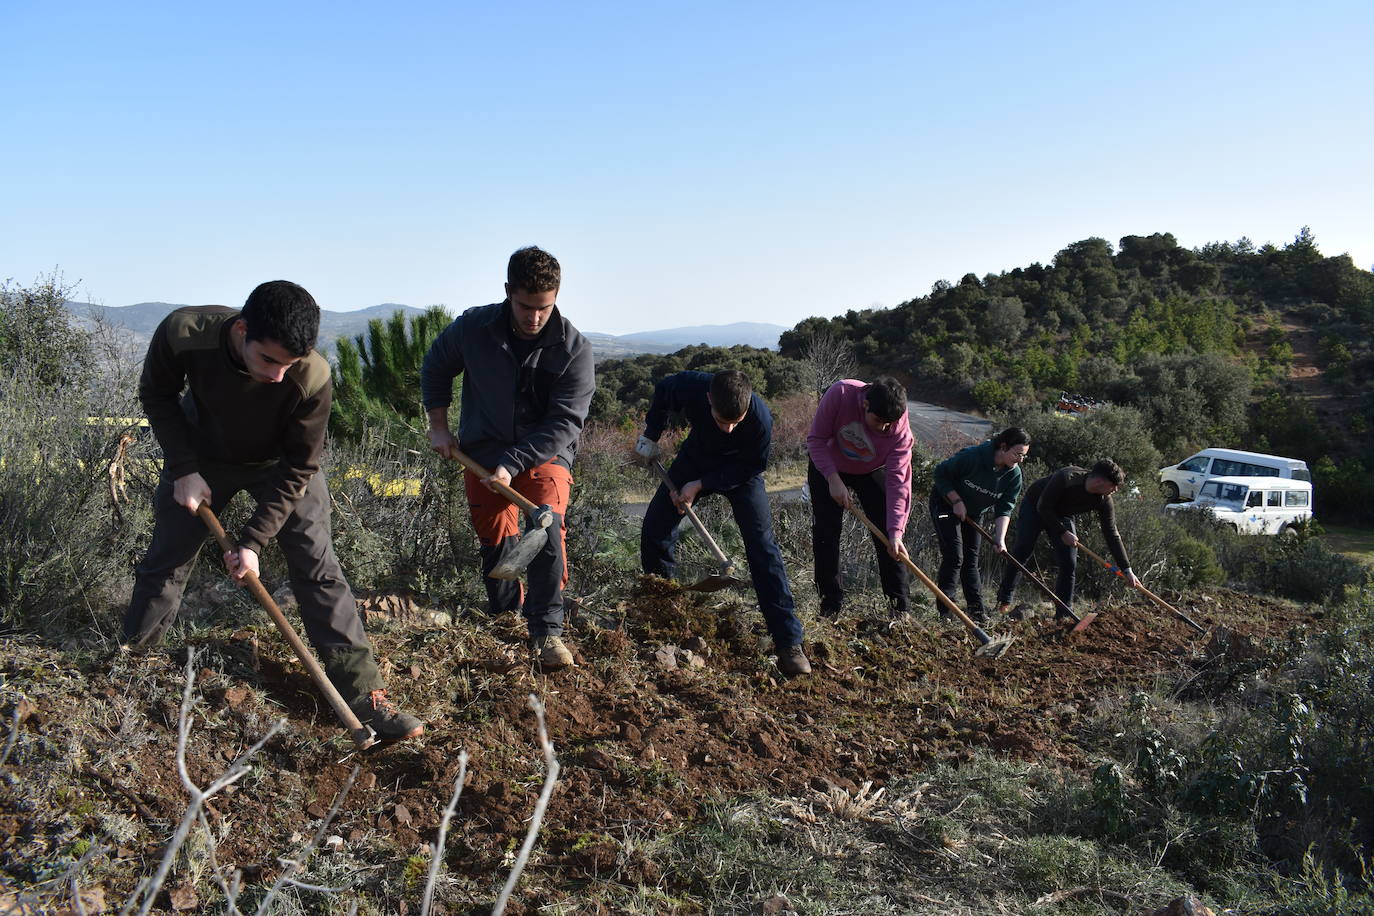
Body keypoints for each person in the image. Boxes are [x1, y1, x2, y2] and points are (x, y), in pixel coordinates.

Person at [123, 281, 423, 740]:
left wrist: (252, 541)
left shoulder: (313, 376)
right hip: (202, 458)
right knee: (168, 558)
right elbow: (157, 395)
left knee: (317, 565)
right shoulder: (185, 333)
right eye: (269, 360)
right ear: (241, 331)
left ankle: (365, 696)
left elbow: (301, 465)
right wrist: (183, 468)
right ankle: (130, 671)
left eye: (290, 364)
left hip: (280, 468)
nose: (279, 376)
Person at [420, 246, 595, 671]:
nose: (534, 318)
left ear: (556, 297)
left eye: (544, 308)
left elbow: (564, 422)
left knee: (545, 525)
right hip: (482, 449)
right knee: (496, 536)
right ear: (507, 292)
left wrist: (514, 462)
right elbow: (436, 367)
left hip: (544, 453)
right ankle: (504, 618)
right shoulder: (474, 328)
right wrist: (440, 426)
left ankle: (547, 632)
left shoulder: (574, 349)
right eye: (525, 306)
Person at [634, 370, 810, 676]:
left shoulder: (761, 420)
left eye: (735, 422)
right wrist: (652, 434)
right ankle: (664, 613)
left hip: (740, 472)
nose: (728, 429)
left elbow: (754, 465)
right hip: (697, 457)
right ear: (708, 400)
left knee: (763, 547)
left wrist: (700, 484)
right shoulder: (689, 387)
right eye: (720, 420)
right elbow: (663, 389)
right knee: (655, 529)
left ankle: (788, 642)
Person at [805, 376, 913, 619]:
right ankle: (830, 604)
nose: (884, 428)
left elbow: (899, 482)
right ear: (865, 405)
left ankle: (900, 609)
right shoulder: (841, 394)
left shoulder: (900, 431)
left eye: (889, 424)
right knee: (826, 532)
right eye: (879, 421)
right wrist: (833, 480)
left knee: (888, 537)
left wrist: (897, 531)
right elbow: (816, 440)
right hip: (828, 464)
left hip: (870, 470)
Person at [994, 460, 1141, 621]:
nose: (1115, 490)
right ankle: (1004, 600)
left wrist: (1126, 569)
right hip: (1036, 505)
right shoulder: (1067, 477)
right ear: (1101, 481)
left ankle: (1064, 613)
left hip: (1062, 514)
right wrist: (1063, 532)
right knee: (1023, 550)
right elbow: (1043, 507)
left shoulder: (1104, 500)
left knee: (1069, 562)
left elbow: (1112, 533)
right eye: (1114, 486)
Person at [929, 427, 1031, 623]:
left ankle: (977, 611)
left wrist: (999, 539)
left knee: (970, 560)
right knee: (954, 555)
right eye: (1017, 454)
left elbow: (1005, 508)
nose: (1020, 460)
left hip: (974, 513)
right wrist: (957, 501)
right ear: (1003, 446)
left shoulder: (1014, 475)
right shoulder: (973, 457)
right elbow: (940, 473)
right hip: (945, 503)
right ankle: (946, 611)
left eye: (1024, 456)